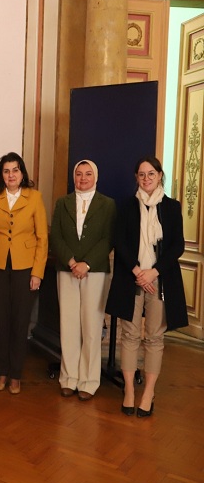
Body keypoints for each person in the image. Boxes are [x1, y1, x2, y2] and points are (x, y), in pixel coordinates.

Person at [106, 156, 187, 418]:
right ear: (136, 178)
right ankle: (129, 390)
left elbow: (177, 246)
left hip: (160, 280)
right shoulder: (128, 206)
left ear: (160, 175)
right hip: (133, 278)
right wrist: (138, 272)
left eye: (151, 174)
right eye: (141, 175)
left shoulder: (172, 207)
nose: (146, 179)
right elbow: (120, 241)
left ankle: (148, 392)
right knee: (129, 336)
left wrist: (154, 272)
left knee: (154, 337)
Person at [0, 152, 48, 395]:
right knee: (2, 321)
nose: (11, 175)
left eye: (15, 170)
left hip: (25, 269)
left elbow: (42, 238)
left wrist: (37, 272)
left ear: (22, 173)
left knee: (20, 321)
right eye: (6, 171)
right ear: (1, 175)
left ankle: (16, 374)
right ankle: (2, 371)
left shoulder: (35, 198)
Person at [50, 160, 116, 401]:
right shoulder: (62, 203)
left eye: (88, 174)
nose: (83, 178)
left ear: (95, 177)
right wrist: (71, 262)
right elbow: (55, 235)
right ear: (74, 177)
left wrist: (85, 264)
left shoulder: (108, 205)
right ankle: (68, 378)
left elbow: (108, 238)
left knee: (91, 327)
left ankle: (89, 381)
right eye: (79, 174)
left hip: (95, 272)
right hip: (66, 271)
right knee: (68, 326)